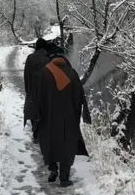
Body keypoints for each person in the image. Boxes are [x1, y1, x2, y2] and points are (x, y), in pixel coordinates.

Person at [31, 49, 91, 187]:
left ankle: (52, 168)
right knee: (67, 146)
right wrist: (82, 114)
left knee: (49, 143)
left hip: (48, 117)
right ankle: (64, 178)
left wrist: (37, 116)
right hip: (69, 118)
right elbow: (80, 96)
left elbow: (36, 97)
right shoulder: (73, 74)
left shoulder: (42, 73)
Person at [23, 37, 50, 142]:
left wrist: (27, 90)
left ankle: (35, 133)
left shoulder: (30, 58)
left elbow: (26, 75)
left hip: (33, 90)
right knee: (44, 112)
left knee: (34, 111)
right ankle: (42, 133)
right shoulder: (48, 58)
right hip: (45, 90)